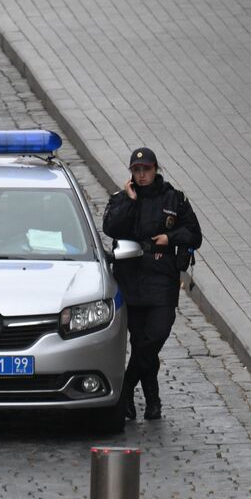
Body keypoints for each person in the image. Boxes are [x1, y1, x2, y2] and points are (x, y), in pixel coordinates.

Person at [102, 147, 203, 421]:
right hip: (131, 279)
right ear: (131, 173)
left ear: (156, 169)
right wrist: (131, 202)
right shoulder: (123, 199)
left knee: (154, 338)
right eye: (137, 170)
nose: (142, 174)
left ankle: (124, 391)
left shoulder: (174, 199)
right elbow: (111, 228)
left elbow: (194, 234)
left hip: (162, 279)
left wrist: (170, 239)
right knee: (140, 343)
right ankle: (151, 401)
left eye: (146, 169)